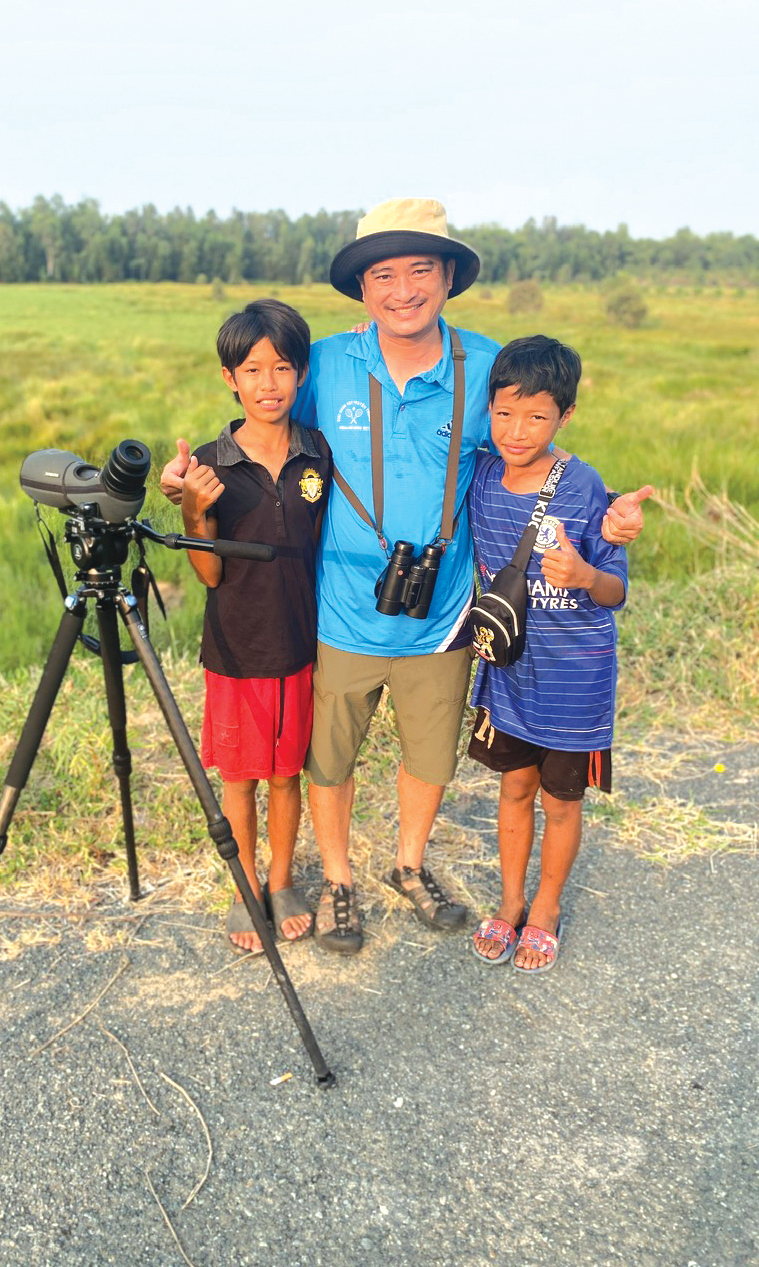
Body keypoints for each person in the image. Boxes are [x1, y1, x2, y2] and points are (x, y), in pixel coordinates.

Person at [163, 198, 651, 956]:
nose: (401, 289)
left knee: (429, 754)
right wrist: (192, 484)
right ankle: (335, 880)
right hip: (340, 610)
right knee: (329, 757)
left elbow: (537, 449)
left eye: (420, 269)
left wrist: (608, 515)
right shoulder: (323, 362)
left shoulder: (489, 365)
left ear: (448, 276)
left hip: (445, 609)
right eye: (382, 273)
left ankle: (410, 864)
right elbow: (264, 423)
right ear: (362, 289)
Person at [468, 335, 628, 973]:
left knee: (561, 801)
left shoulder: (585, 486)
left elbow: (615, 589)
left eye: (537, 416)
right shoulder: (479, 473)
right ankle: (510, 903)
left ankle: (547, 907)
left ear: (566, 416)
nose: (517, 429)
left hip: (574, 683)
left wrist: (586, 575)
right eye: (504, 412)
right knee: (513, 789)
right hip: (509, 675)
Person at [180, 299, 331, 953]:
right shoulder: (213, 468)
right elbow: (209, 578)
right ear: (229, 379)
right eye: (252, 370)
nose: (268, 384)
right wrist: (192, 509)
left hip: (299, 646)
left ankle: (280, 880)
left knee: (286, 775)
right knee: (239, 778)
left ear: (300, 374)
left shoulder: (316, 452)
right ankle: (244, 885)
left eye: (282, 369)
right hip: (237, 652)